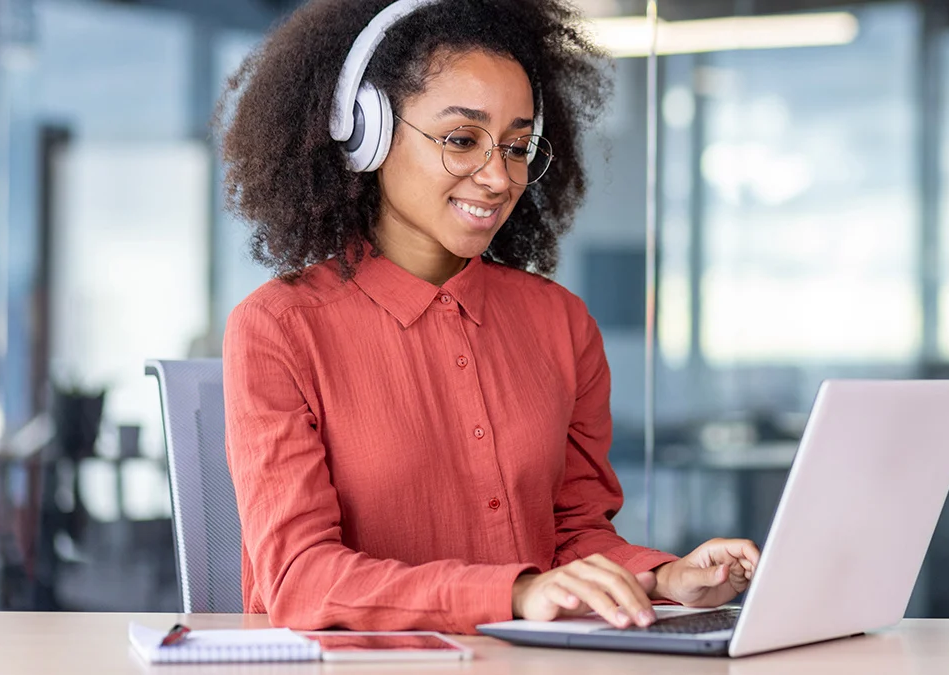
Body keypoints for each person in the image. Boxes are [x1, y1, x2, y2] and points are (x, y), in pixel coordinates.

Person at [216, 0, 759, 635]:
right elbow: (300, 580)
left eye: (517, 145)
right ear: (367, 133)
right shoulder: (280, 327)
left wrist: (663, 578)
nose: (499, 177)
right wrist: (517, 591)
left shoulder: (560, 323)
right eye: (462, 139)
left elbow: (573, 537)